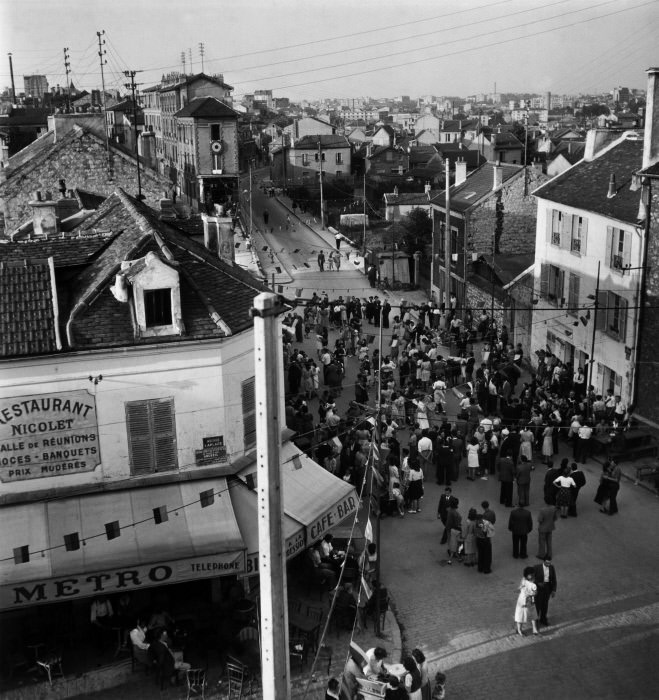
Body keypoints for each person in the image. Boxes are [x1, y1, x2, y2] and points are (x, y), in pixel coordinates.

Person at [514, 567, 540, 636]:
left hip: (531, 600)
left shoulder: (533, 580)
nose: (533, 576)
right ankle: (519, 629)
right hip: (523, 600)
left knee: (533, 614)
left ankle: (534, 629)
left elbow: (534, 591)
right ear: (527, 575)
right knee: (521, 615)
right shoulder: (524, 580)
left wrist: (534, 593)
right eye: (531, 574)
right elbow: (521, 588)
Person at [533, 557, 558, 626]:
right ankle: (536, 621)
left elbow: (554, 579)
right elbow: (532, 579)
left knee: (545, 605)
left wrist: (553, 590)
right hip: (538, 589)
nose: (548, 564)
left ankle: (543, 619)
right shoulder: (536, 567)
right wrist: (538, 583)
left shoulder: (552, 568)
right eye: (547, 563)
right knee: (537, 605)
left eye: (549, 563)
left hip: (547, 589)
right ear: (543, 561)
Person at [445, 497, 462, 564]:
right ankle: (454, 553)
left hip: (448, 527)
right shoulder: (455, 513)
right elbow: (457, 522)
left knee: (450, 540)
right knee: (455, 542)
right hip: (453, 529)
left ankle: (451, 551)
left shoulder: (449, 510)